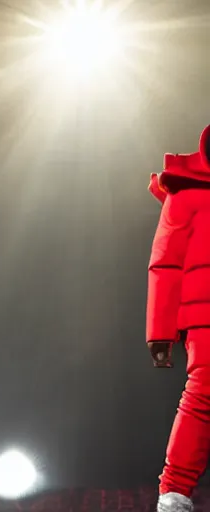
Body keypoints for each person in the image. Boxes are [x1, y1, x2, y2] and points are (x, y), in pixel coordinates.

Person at [147, 125, 210, 512]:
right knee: (203, 394)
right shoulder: (185, 194)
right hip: (204, 316)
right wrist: (160, 332)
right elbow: (165, 264)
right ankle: (174, 494)